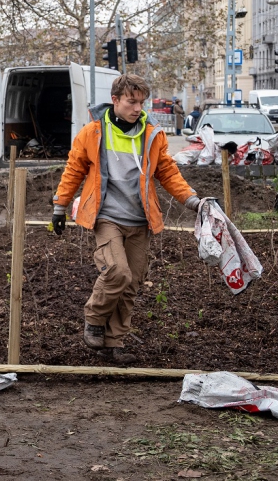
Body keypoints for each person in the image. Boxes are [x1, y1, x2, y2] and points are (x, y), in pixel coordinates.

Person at [51, 74, 203, 364]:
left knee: (131, 283)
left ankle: (115, 342)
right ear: (115, 100)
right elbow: (74, 170)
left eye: (141, 102)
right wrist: (60, 206)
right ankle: (94, 319)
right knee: (117, 272)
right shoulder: (93, 132)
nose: (137, 108)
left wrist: (192, 200)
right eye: (131, 102)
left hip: (140, 220)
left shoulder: (152, 134)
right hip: (106, 217)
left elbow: (168, 173)